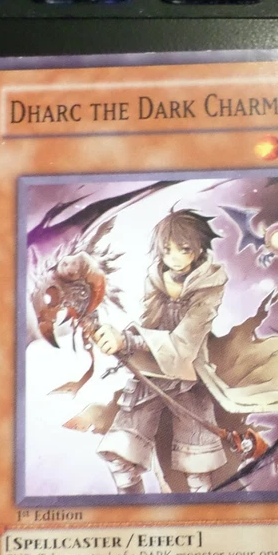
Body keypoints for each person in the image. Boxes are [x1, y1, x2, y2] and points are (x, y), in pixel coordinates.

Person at [92, 209, 228, 494]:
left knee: (198, 469)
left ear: (198, 249)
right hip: (153, 372)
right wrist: (118, 340)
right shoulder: (155, 278)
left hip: (190, 377)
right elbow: (147, 325)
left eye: (183, 249)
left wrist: (127, 342)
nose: (173, 257)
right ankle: (132, 509)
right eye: (167, 250)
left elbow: (185, 344)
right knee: (119, 454)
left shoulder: (210, 286)